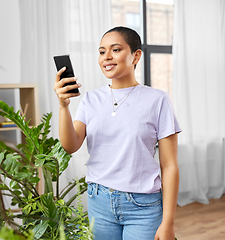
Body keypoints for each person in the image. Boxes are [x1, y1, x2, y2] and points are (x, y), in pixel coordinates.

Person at [53, 26, 181, 240]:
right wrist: (63, 107)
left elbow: (169, 165)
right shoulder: (90, 99)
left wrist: (168, 223)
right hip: (99, 202)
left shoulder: (158, 100)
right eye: (102, 52)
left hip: (143, 206)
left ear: (136, 55)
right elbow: (70, 145)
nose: (107, 57)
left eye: (116, 49)